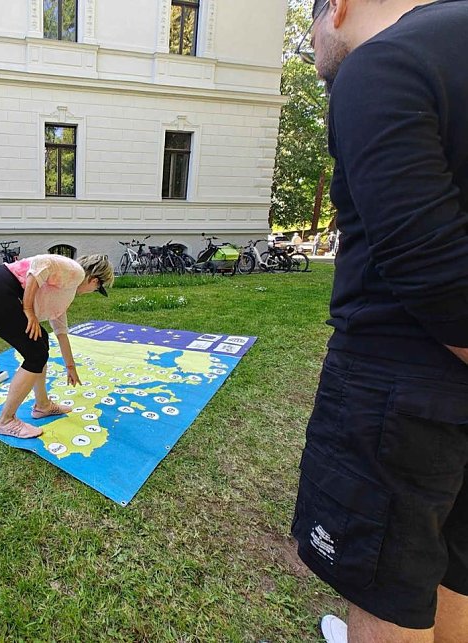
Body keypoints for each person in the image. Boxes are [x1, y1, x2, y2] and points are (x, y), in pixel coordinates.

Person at [292, 1, 468, 642]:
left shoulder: (381, 65)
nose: (314, 56)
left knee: (387, 593)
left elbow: (438, 275)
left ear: (334, 8)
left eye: (309, 34)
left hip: (399, 392)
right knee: (450, 569)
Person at [0, 254, 114, 439]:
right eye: (97, 289)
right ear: (95, 281)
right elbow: (41, 264)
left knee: (41, 341)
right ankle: (5, 421)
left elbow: (60, 331)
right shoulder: (75, 272)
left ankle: (42, 406)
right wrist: (27, 309)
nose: (92, 291)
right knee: (36, 353)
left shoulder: (65, 288)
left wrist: (71, 367)